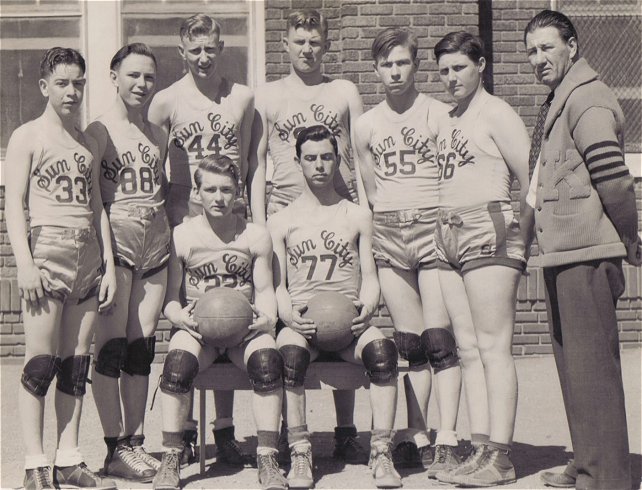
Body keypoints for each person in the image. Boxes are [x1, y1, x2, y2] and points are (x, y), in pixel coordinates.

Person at [523, 10, 640, 490]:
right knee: (574, 368)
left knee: (593, 373)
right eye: (531, 51)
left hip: (587, 254)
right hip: (564, 253)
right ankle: (588, 462)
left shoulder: (587, 97)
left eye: (547, 47)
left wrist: (630, 240)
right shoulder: (562, 99)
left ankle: (610, 477)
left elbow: (614, 177)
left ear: (572, 46)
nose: (537, 59)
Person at [252, 8, 367, 464]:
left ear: (326, 44)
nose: (307, 49)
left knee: (341, 310)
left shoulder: (343, 91)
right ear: (286, 44)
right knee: (289, 322)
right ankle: (285, 429)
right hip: (285, 214)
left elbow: (359, 158)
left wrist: (363, 213)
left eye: (315, 41)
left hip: (336, 214)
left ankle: (345, 429)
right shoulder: (269, 95)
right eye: (299, 41)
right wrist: (260, 223)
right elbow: (257, 163)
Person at [5, 47, 117, 490]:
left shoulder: (87, 142)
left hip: (86, 256)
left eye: (79, 83)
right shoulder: (27, 137)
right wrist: (24, 264)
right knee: (40, 364)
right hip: (46, 252)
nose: (72, 92)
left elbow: (97, 208)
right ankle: (35, 464)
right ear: (44, 87)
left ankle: (68, 458)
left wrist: (108, 265)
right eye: (63, 83)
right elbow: (13, 204)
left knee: (75, 365)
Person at [354, 27, 463, 474]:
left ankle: (450, 436)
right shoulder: (366, 124)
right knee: (411, 344)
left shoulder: (439, 114)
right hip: (390, 230)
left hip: (432, 225)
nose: (394, 71)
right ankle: (417, 435)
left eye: (402, 62)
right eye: (386, 64)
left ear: (415, 65)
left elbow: (452, 176)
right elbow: (371, 187)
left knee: (439, 341)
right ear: (376, 69)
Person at [147, 13, 254, 466]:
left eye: (211, 49)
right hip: (184, 220)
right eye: (195, 50)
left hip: (231, 217)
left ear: (221, 48)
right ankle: (185, 431)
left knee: (228, 312)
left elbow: (250, 163)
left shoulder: (243, 98)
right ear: (182, 53)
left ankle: (225, 431)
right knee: (189, 321)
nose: (204, 58)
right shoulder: (166, 102)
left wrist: (256, 218)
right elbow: (153, 170)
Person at [269, 125, 401, 489]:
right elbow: (277, 285)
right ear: (297, 162)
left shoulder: (357, 215)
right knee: (289, 358)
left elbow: (370, 276)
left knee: (383, 352)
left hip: (348, 326)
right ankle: (299, 450)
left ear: (337, 160)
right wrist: (288, 316)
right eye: (310, 158)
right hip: (303, 325)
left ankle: (381, 449)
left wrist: (369, 305)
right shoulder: (280, 220)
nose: (319, 165)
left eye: (327, 157)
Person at [431, 32, 531, 487]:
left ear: (482, 65)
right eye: (445, 70)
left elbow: (533, 182)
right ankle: (478, 447)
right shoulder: (450, 117)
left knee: (493, 347)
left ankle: (502, 455)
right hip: (448, 230)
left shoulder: (498, 113)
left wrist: (522, 240)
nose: (451, 78)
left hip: (488, 227)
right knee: (467, 348)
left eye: (459, 68)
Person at [151, 155, 287, 490]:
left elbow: (266, 290)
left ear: (238, 191)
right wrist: (178, 316)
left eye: (226, 190)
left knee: (268, 362)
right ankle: (171, 455)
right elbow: (170, 298)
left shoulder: (255, 236)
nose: (218, 197)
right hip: (200, 331)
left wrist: (267, 319)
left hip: (242, 330)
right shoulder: (182, 236)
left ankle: (267, 457)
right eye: (210, 189)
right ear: (196, 192)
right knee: (177, 364)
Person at [85, 43, 169, 482]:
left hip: (154, 249)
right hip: (115, 247)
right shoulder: (98, 132)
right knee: (111, 348)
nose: (141, 84)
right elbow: (94, 200)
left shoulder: (158, 134)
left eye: (149, 77)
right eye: (133, 75)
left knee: (141, 348)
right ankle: (113, 446)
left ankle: (136, 444)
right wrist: (103, 260)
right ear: (114, 75)